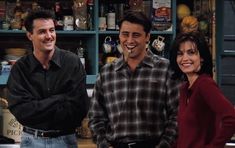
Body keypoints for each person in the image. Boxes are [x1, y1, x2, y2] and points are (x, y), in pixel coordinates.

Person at [88, 11, 179, 148]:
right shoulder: (107, 73)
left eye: (136, 35)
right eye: (125, 34)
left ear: (147, 37)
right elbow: (96, 117)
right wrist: (103, 144)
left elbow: (177, 115)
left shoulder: (165, 69)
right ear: (119, 35)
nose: (129, 41)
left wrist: (163, 145)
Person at [6, 9, 89, 148]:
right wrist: (60, 98)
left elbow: (79, 108)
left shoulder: (72, 62)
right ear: (30, 35)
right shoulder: (20, 68)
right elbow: (22, 111)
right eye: (42, 32)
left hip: (65, 140)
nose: (49, 36)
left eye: (52, 30)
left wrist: (38, 106)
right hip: (31, 140)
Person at [169, 32, 235, 148]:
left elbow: (231, 117)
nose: (185, 58)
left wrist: (214, 146)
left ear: (202, 58)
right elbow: (186, 136)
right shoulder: (185, 88)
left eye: (191, 52)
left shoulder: (205, 84)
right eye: (180, 54)